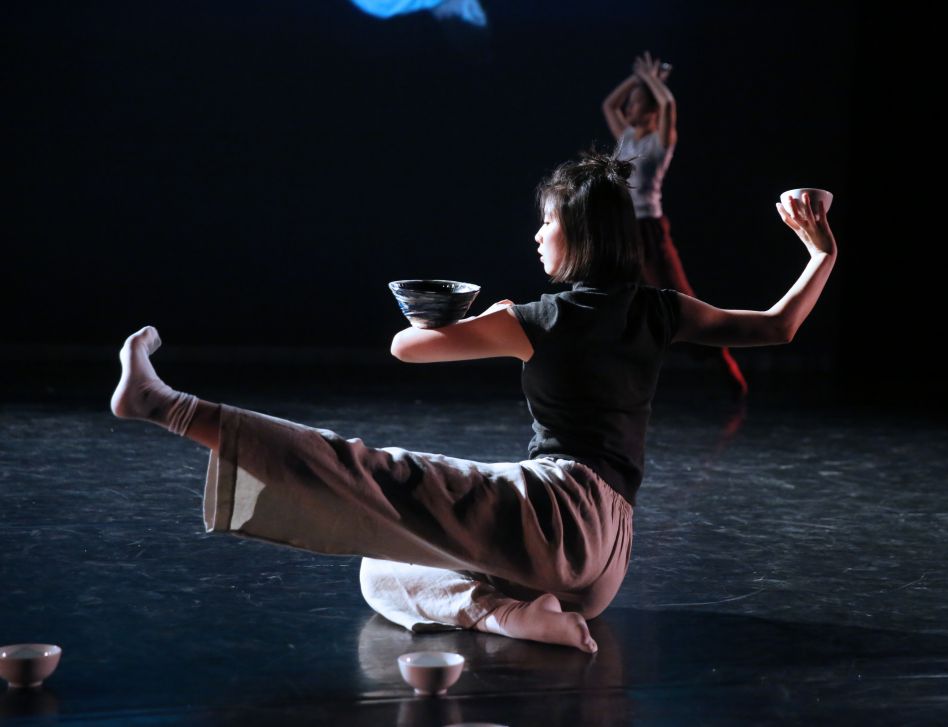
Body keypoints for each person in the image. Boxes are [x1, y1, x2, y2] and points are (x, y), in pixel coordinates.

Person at [110, 152, 836, 653]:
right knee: (378, 567)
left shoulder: (533, 318)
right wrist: (819, 254)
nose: (536, 233)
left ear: (575, 234)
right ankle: (523, 617)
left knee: (368, 472)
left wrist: (465, 311)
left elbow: (406, 349)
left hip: (556, 513)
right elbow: (779, 325)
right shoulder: (659, 310)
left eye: (545, 222)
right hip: (607, 561)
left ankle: (165, 404)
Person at [603, 51, 749, 397]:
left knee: (679, 301)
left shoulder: (659, 143)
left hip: (650, 231)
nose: (628, 108)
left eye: (636, 103)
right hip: (623, 231)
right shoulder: (627, 138)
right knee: (619, 300)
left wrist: (652, 84)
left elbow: (668, 104)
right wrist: (638, 81)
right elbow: (609, 104)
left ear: (651, 111)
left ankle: (719, 355)